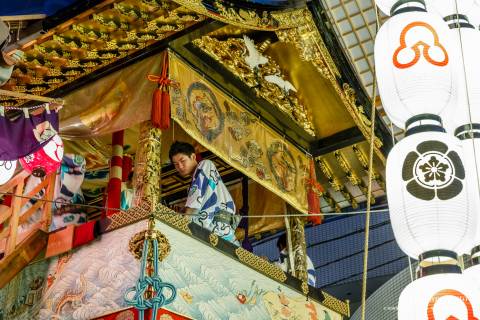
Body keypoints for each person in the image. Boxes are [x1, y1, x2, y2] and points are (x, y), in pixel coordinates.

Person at [169, 141, 240, 245]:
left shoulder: (205, 165)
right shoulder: (195, 181)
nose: (180, 166)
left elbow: (194, 202)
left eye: (182, 161)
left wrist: (182, 224)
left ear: (193, 156)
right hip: (215, 229)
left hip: (217, 228)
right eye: (176, 164)